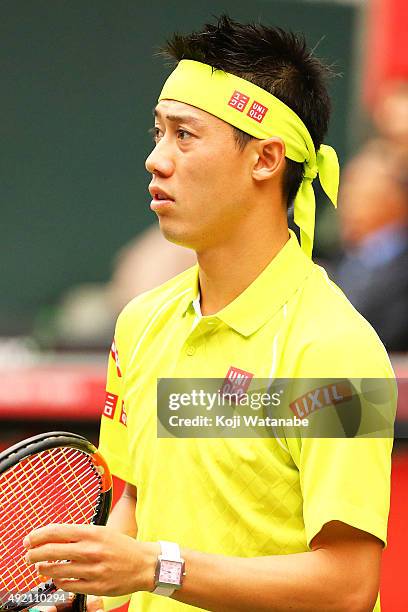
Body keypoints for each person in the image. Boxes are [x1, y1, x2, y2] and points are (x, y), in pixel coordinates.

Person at [24, 15, 395, 612]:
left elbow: (349, 586)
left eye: (185, 136)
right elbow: (138, 504)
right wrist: (91, 591)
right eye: (157, 133)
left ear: (266, 159)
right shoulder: (140, 323)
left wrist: (156, 567)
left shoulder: (337, 350)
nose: (155, 159)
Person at [334, 141, 408, 351]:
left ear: (395, 198)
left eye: (360, 190)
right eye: (346, 189)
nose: (347, 201)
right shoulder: (339, 260)